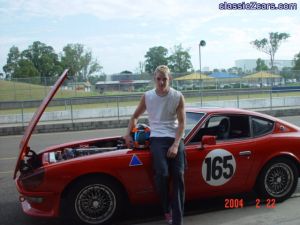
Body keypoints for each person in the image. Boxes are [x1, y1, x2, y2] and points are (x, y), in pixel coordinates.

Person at [124, 65, 186, 225]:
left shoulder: (177, 96)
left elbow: (181, 123)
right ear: (154, 79)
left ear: (169, 78)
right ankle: (167, 210)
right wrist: (127, 133)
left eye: (164, 79)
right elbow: (135, 116)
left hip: (175, 138)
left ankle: (178, 220)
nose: (161, 82)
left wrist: (175, 144)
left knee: (178, 176)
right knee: (163, 174)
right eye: (158, 79)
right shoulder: (148, 96)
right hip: (157, 138)